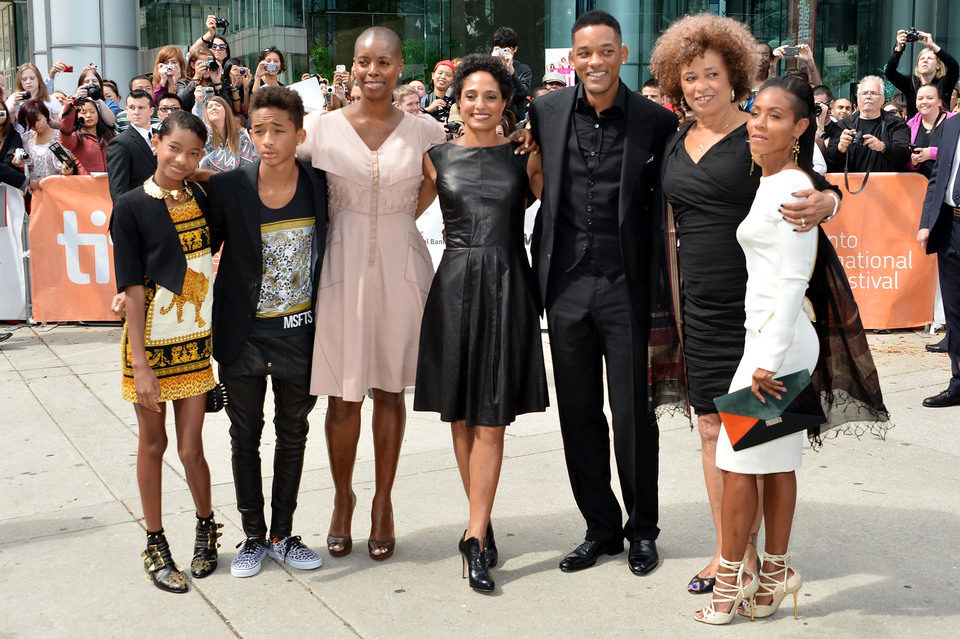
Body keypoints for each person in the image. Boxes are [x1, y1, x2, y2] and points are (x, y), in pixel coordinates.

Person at [649, 12, 842, 596]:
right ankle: (728, 551)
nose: (700, 86)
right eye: (687, 77)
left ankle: (756, 560)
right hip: (699, 307)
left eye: (710, 73)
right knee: (712, 427)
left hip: (756, 312)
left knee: (755, 435)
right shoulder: (674, 139)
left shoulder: (758, 136)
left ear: (734, 76)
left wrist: (829, 201)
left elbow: (805, 182)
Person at [695, 74, 887, 625]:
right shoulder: (776, 177)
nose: (758, 123)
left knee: (735, 464)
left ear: (802, 127)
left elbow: (793, 278)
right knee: (777, 465)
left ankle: (730, 582)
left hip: (775, 346)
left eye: (776, 116)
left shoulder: (791, 186)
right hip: (776, 340)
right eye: (756, 112)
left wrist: (765, 360)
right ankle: (775, 576)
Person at [528, 10, 681, 578]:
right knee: (579, 415)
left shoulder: (655, 121)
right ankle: (600, 526)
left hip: (627, 288)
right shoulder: (544, 111)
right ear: (572, 59)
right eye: (584, 53)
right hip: (564, 288)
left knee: (634, 415)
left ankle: (643, 529)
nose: (595, 62)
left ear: (622, 54)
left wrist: (820, 194)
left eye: (605, 51)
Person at [299, 27, 445, 562]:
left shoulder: (427, 129)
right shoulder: (319, 129)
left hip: (403, 270)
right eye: (364, 61)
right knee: (343, 394)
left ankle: (383, 501)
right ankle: (343, 499)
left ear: (401, 65)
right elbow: (275, 177)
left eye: (384, 62)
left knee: (388, 389)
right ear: (351, 65)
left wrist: (401, 217)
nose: (373, 71)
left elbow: (441, 183)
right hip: (341, 269)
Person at [414, 53, 548, 593]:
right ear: (456, 99)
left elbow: (566, 206)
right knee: (462, 417)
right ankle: (481, 520)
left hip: (509, 283)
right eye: (471, 95)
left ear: (506, 102)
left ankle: (472, 538)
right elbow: (394, 216)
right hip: (454, 288)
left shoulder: (525, 158)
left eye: (491, 95)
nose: (480, 104)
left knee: (492, 418)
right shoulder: (435, 159)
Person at [203, 86, 328, 578]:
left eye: (279, 130)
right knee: (244, 435)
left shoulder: (320, 184)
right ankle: (253, 535)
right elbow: (200, 244)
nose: (268, 140)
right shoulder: (230, 187)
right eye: (258, 130)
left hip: (300, 334)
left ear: (300, 134)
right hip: (243, 337)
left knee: (293, 434)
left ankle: (283, 532)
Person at [110, 110, 221, 593]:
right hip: (149, 344)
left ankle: (206, 528)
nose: (182, 159)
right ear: (156, 141)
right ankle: (155, 542)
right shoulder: (130, 206)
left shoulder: (201, 194)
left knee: (192, 447)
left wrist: (198, 172)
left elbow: (229, 184)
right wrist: (141, 365)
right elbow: (132, 287)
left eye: (194, 152)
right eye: (174, 148)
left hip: (196, 342)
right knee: (153, 445)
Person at [918, 98, 960, 408]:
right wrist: (926, 223)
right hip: (951, 227)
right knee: (955, 312)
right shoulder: (952, 125)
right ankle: (958, 381)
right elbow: (937, 180)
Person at [826, 75, 911, 173]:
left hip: (886, 184)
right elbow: (830, 160)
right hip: (850, 185)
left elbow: (904, 155)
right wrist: (840, 148)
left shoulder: (896, 124)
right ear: (858, 98)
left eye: (874, 93)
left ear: (882, 99)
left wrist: (882, 147)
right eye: (864, 93)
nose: (868, 96)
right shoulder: (842, 125)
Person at [885, 29, 959, 117]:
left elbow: (954, 67)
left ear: (938, 66)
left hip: (939, 128)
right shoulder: (911, 83)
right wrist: (899, 49)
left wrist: (932, 46)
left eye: (930, 59)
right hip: (915, 129)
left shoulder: (943, 83)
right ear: (917, 65)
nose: (925, 61)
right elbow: (889, 72)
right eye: (922, 59)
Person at [107, 90, 158, 203]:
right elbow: (118, 189)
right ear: (126, 110)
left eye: (141, 108)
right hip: (139, 209)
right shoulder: (120, 143)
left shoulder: (163, 136)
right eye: (131, 107)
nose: (136, 112)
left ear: (151, 111)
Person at [192, 92, 258, 172]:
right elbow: (196, 119)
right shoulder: (204, 133)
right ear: (206, 114)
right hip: (205, 183)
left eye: (218, 105)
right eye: (210, 107)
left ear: (226, 111)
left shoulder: (241, 136)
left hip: (233, 183)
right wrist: (199, 103)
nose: (213, 108)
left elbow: (247, 166)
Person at [17, 99, 72, 187]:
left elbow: (69, 165)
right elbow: (28, 167)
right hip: (36, 192)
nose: (35, 125)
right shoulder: (26, 139)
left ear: (46, 116)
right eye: (30, 122)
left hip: (59, 188)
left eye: (38, 119)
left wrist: (67, 170)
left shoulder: (60, 137)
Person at [59, 95, 114, 174]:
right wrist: (69, 109)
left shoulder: (110, 135)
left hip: (110, 184)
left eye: (92, 111)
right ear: (77, 117)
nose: (89, 115)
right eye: (84, 112)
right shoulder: (76, 137)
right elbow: (64, 135)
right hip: (87, 184)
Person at [907, 83, 953, 177]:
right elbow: (906, 164)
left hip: (947, 182)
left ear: (939, 102)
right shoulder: (910, 125)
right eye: (920, 98)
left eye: (930, 98)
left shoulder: (954, 122)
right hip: (920, 184)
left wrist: (932, 153)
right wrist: (914, 162)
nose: (924, 102)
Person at [491, 26, 532, 121]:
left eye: (506, 49)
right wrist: (491, 62)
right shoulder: (488, 67)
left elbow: (522, 94)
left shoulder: (523, 69)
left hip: (514, 120)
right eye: (499, 49)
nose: (503, 53)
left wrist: (511, 71)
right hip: (492, 118)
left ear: (515, 49)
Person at [6, 63, 62, 132]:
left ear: (38, 79)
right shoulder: (13, 98)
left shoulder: (51, 99)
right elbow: (6, 125)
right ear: (20, 82)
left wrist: (46, 120)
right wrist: (13, 105)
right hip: (21, 140)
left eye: (32, 78)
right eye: (24, 79)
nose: (28, 82)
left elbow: (60, 127)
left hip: (46, 139)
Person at [0, 104, 29, 191]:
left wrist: (20, 167)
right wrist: (27, 181)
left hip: (9, 190)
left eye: (1, 110)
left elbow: (10, 163)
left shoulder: (13, 135)